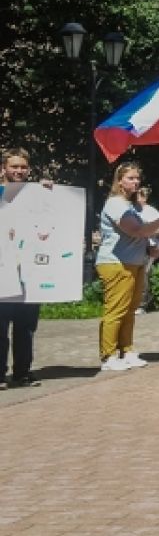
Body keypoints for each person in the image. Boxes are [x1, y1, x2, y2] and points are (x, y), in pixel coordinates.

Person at [94, 161, 159, 370]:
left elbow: (140, 237)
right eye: (130, 178)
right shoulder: (115, 204)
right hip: (116, 263)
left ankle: (127, 350)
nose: (136, 182)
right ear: (120, 181)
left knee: (130, 310)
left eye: (137, 178)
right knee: (116, 309)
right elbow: (137, 230)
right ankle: (108, 356)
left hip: (135, 262)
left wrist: (150, 249)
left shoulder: (131, 206)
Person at [0, 147, 55, 388]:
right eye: (14, 166)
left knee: (26, 327)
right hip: (3, 271)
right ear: (4, 168)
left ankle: (22, 373)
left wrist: (50, 193)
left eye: (23, 167)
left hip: (29, 272)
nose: (19, 171)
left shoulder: (35, 194)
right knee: (0, 328)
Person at [133, 186, 159, 315]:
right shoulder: (131, 210)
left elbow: (158, 230)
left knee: (143, 276)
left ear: (144, 197)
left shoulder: (152, 212)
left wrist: (144, 231)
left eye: (139, 196)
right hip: (134, 246)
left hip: (147, 247)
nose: (137, 199)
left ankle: (142, 304)